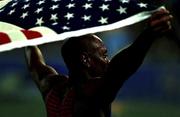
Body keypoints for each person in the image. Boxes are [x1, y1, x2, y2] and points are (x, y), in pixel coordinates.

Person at [25, 8, 172, 117]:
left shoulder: (51, 87)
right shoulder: (91, 94)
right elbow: (120, 68)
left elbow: (35, 65)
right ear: (86, 60)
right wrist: (149, 34)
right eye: (104, 55)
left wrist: (26, 32)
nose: (107, 61)